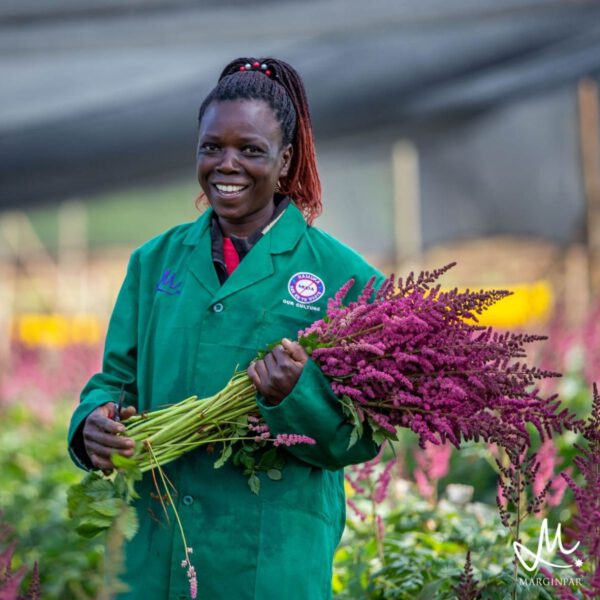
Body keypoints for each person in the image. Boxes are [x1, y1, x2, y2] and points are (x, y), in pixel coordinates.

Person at [68, 57, 384, 600]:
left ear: (284, 161)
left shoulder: (347, 280)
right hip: (156, 556)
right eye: (212, 147)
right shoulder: (155, 262)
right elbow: (116, 382)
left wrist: (295, 394)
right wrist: (92, 423)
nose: (226, 164)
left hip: (269, 562)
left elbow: (361, 438)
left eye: (250, 150)